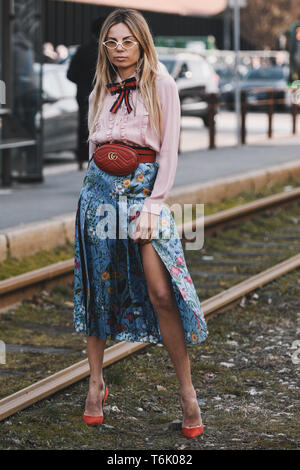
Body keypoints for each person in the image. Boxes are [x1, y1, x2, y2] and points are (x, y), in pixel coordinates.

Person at [73, 7, 208, 439]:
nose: (117, 50)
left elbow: (168, 152)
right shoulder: (102, 87)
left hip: (144, 194)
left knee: (161, 290)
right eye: (110, 42)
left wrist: (154, 205)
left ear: (142, 42)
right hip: (97, 194)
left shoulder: (161, 85)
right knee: (98, 289)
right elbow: (95, 144)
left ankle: (187, 393)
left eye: (126, 41)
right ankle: (95, 385)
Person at [67, 16, 105, 169]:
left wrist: (83, 84)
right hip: (104, 96)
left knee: (84, 126)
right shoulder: (108, 52)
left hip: (83, 95)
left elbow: (70, 74)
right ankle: (100, 158)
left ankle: (82, 160)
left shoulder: (82, 51)